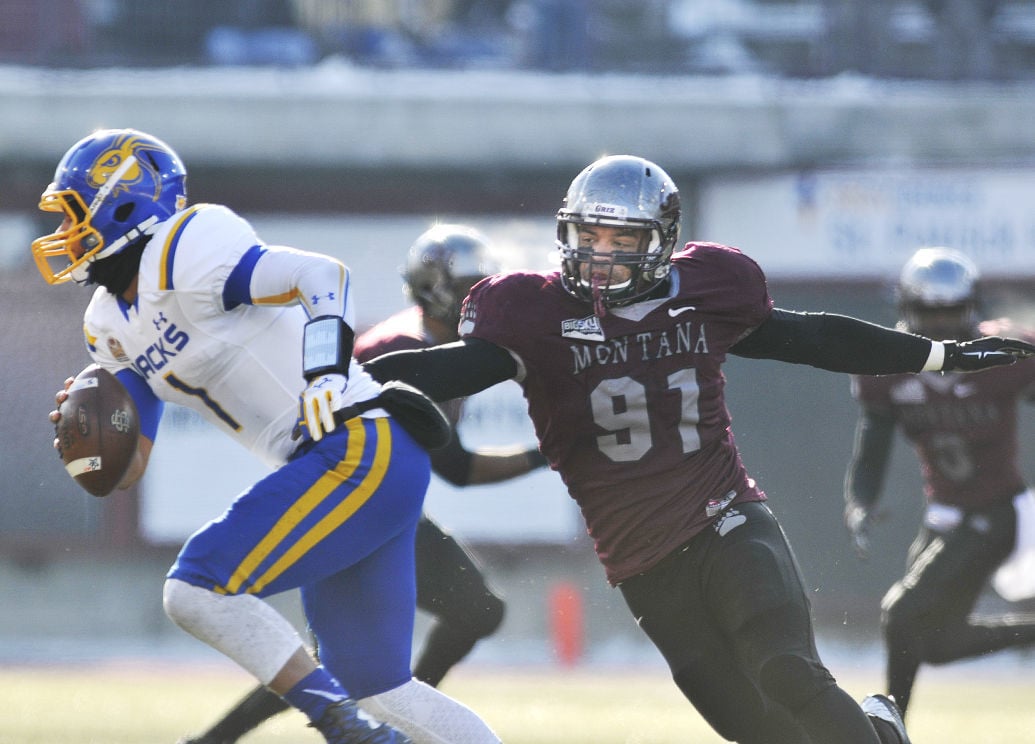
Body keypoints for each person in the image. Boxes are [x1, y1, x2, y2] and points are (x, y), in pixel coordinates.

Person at [362, 154, 1035, 744]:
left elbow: (814, 339)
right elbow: (452, 367)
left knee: (786, 672)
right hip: (637, 559)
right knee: (751, 726)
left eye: (620, 238)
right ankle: (879, 733)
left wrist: (939, 355)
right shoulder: (533, 316)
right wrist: (340, 379)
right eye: (587, 236)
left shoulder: (703, 292)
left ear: (658, 243)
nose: (599, 254)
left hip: (724, 518)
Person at [35, 128, 502, 744]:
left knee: (195, 587)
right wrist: (89, 438)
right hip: (360, 459)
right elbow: (129, 466)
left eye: (74, 214)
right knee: (384, 688)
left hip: (358, 444)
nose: (64, 235)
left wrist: (327, 370)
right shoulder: (105, 326)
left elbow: (321, 276)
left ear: (125, 202)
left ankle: (347, 731)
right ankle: (359, 722)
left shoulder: (184, 250)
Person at [178, 223, 548, 744]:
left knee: (455, 621)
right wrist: (549, 453)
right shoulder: (402, 348)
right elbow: (456, 467)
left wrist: (544, 455)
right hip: (350, 488)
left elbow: (456, 468)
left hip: (382, 497)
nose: (475, 300)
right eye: (467, 288)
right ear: (434, 288)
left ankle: (387, 715)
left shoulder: (444, 346)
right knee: (345, 661)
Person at [843, 246, 1035, 719]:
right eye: (931, 313)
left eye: (952, 313)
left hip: (995, 510)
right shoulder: (888, 366)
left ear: (972, 310)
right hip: (944, 514)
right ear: (908, 309)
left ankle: (888, 726)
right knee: (932, 640)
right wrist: (861, 502)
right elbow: (873, 444)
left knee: (900, 611)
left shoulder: (1005, 353)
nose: (943, 327)